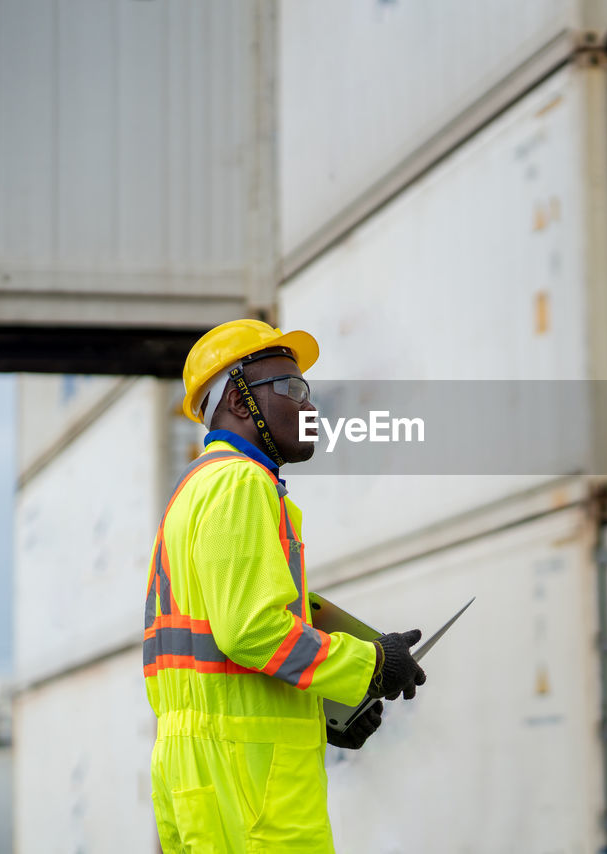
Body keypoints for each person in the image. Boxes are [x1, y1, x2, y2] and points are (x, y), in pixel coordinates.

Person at [144, 318, 427, 852]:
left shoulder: (196, 488)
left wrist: (322, 710)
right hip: (250, 779)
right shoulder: (241, 483)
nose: (310, 407)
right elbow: (251, 631)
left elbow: (217, 663)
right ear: (236, 398)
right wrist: (370, 664)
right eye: (291, 389)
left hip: (204, 767)